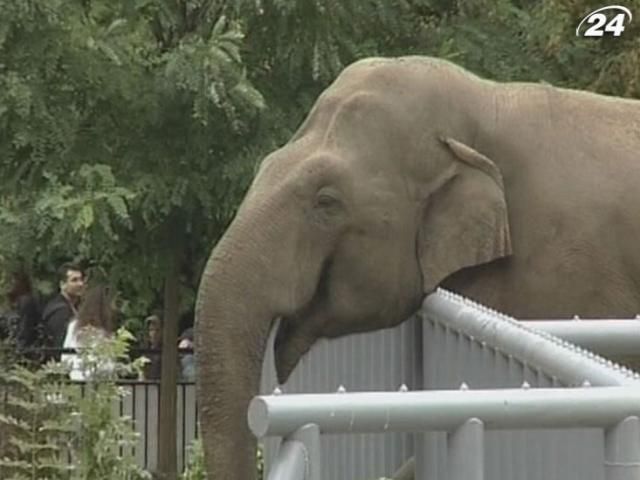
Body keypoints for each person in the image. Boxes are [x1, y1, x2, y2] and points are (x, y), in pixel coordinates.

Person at [61, 284, 114, 381]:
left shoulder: (74, 326)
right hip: (100, 382)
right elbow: (108, 364)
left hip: (77, 379)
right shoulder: (104, 332)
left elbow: (66, 357)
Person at [42, 263, 85, 359]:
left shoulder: (74, 306)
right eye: (74, 280)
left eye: (81, 279)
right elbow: (59, 345)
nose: (80, 284)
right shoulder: (60, 311)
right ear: (62, 284)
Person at [142, 314, 162, 380]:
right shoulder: (145, 350)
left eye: (157, 330)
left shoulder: (167, 352)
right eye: (151, 330)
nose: (154, 333)